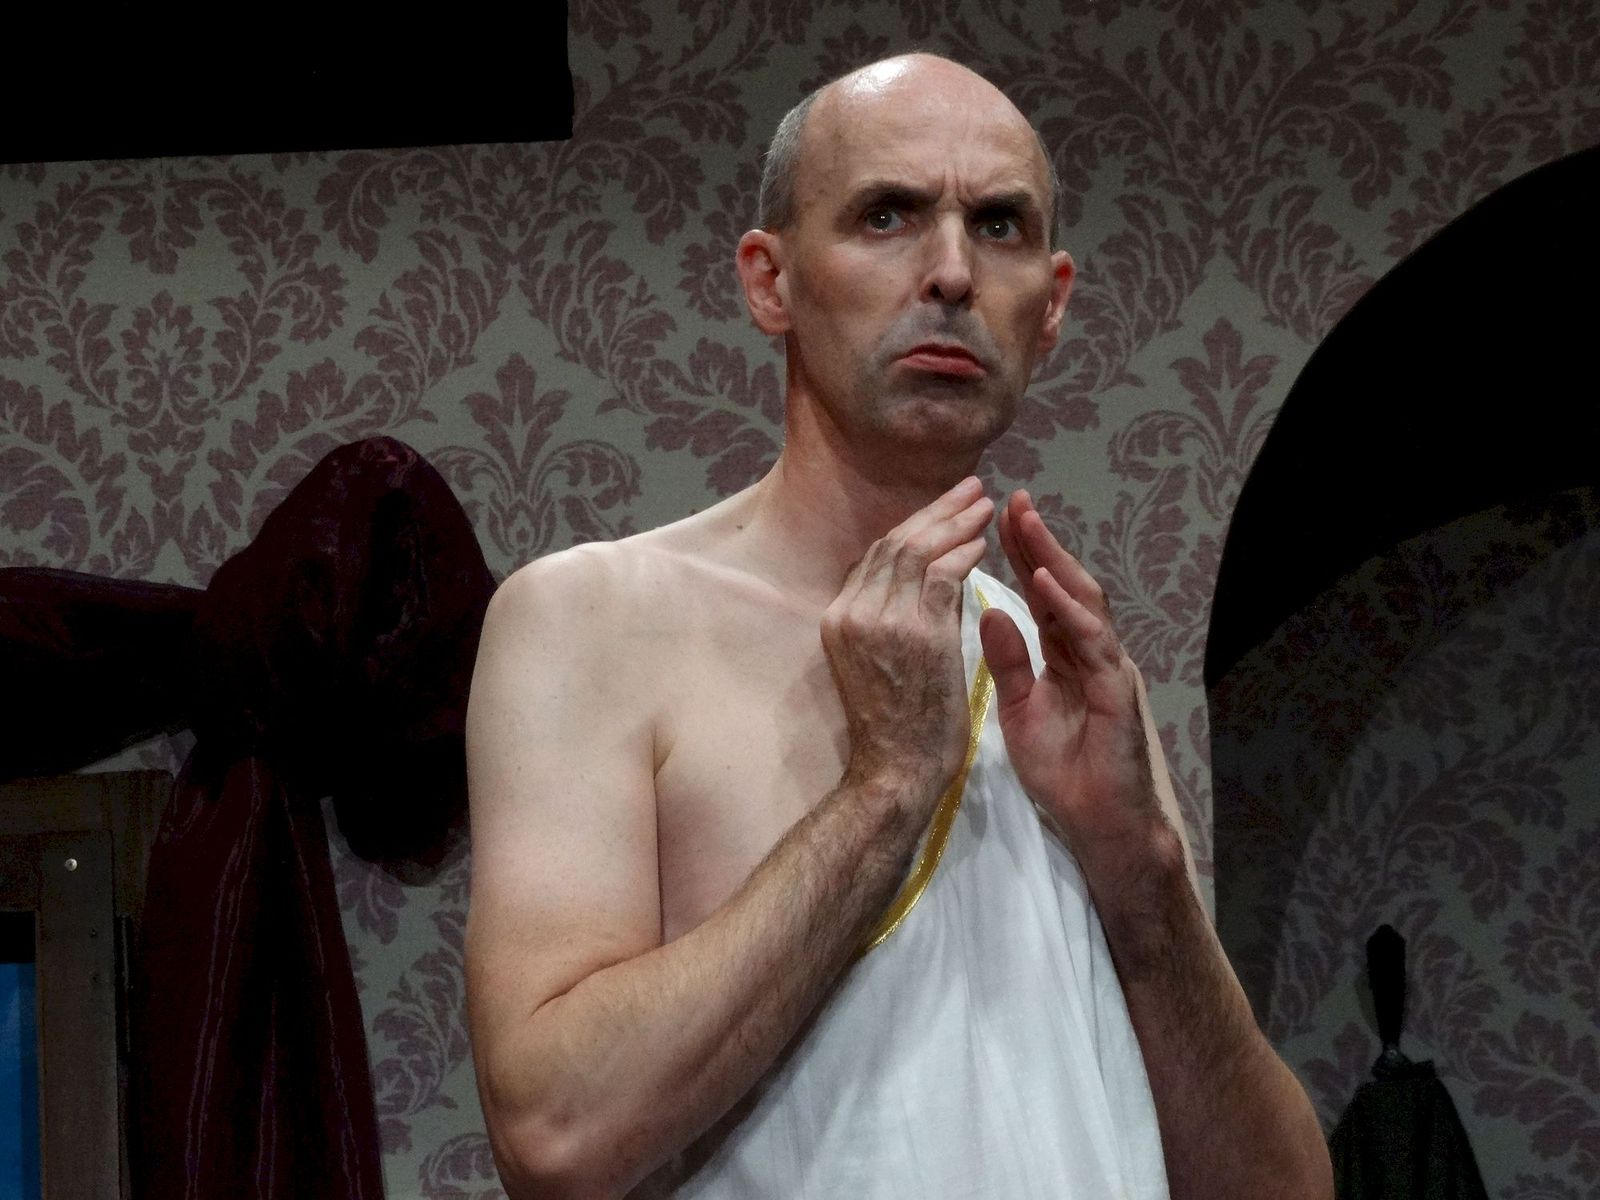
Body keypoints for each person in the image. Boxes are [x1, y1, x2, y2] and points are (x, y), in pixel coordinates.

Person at [464, 52, 1333, 1200]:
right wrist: (884, 786)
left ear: (1052, 306)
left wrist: (1142, 872)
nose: (952, 272)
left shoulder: (1053, 670)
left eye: (999, 225)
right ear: (770, 280)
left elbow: (1280, 1189)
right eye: (887, 215)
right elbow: (555, 1135)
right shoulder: (593, 618)